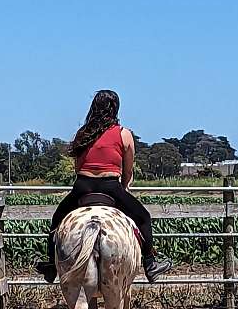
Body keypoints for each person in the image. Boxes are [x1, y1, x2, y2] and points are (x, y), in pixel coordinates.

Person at [36, 89, 172, 283]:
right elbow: (127, 172)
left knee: (57, 220)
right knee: (144, 217)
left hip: (82, 187)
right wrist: (123, 188)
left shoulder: (83, 134)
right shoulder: (124, 134)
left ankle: (51, 265)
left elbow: (77, 168)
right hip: (110, 187)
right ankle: (150, 264)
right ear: (115, 108)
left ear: (93, 107)